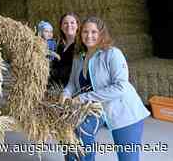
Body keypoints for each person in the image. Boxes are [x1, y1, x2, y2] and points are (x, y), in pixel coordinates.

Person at [62, 16, 150, 161]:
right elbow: (72, 83)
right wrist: (66, 93)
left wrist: (83, 97)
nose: (89, 35)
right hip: (97, 109)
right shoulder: (79, 57)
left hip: (123, 111)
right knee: (78, 138)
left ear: (101, 33)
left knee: (128, 157)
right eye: (85, 32)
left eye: (94, 32)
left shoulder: (112, 54)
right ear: (80, 33)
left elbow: (120, 86)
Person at [50, 12, 80, 87]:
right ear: (61, 27)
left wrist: (50, 72)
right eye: (65, 23)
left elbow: (73, 70)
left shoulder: (81, 46)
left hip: (72, 88)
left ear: (77, 25)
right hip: (55, 85)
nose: (69, 25)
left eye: (72, 23)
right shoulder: (57, 45)